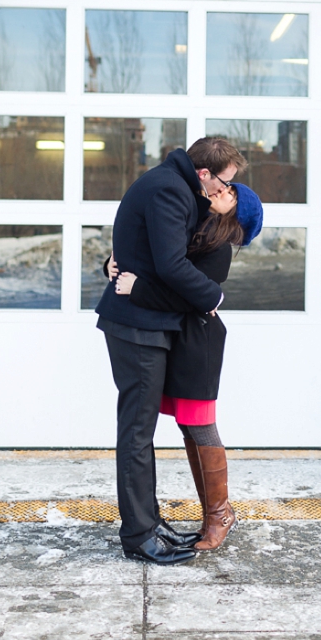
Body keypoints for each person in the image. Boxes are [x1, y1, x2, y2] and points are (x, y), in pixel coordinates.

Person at [95, 138, 246, 565]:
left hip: (147, 324)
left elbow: (146, 244)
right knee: (138, 434)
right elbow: (170, 263)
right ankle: (140, 535)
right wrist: (212, 298)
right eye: (223, 183)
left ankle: (150, 523)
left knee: (143, 434)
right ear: (203, 173)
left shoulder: (174, 187)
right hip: (137, 327)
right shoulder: (168, 189)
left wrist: (119, 263)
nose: (223, 191)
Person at [113, 180, 263, 551]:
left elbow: (187, 297)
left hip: (200, 343)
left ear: (237, 215)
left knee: (201, 424)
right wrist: (113, 264)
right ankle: (212, 513)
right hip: (179, 339)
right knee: (187, 424)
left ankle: (220, 515)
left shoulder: (219, 251)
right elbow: (159, 263)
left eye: (231, 194)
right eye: (225, 186)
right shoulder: (193, 229)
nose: (222, 190)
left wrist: (138, 289)